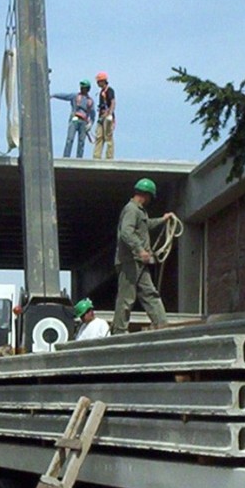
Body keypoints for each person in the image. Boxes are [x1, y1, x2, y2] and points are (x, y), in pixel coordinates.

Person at [112, 178, 173, 334]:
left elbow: (146, 226)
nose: (150, 200)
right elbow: (126, 232)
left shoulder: (139, 211)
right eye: (150, 197)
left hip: (138, 262)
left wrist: (163, 220)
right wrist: (140, 249)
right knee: (126, 298)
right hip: (130, 261)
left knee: (150, 293)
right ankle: (119, 331)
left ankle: (162, 325)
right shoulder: (131, 209)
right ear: (146, 195)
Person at [51, 80, 95, 158]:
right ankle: (66, 156)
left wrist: (91, 123)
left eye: (84, 87)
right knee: (70, 139)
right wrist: (54, 95)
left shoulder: (90, 101)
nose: (81, 89)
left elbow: (93, 114)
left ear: (87, 89)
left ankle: (79, 157)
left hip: (84, 122)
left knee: (81, 142)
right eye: (81, 87)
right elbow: (64, 96)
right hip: (75, 119)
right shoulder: (75, 96)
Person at [92, 71, 115, 159]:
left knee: (108, 136)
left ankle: (109, 157)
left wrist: (109, 114)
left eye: (99, 81)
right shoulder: (101, 92)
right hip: (101, 117)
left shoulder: (109, 90)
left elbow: (113, 102)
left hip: (107, 116)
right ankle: (96, 156)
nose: (97, 83)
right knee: (99, 136)